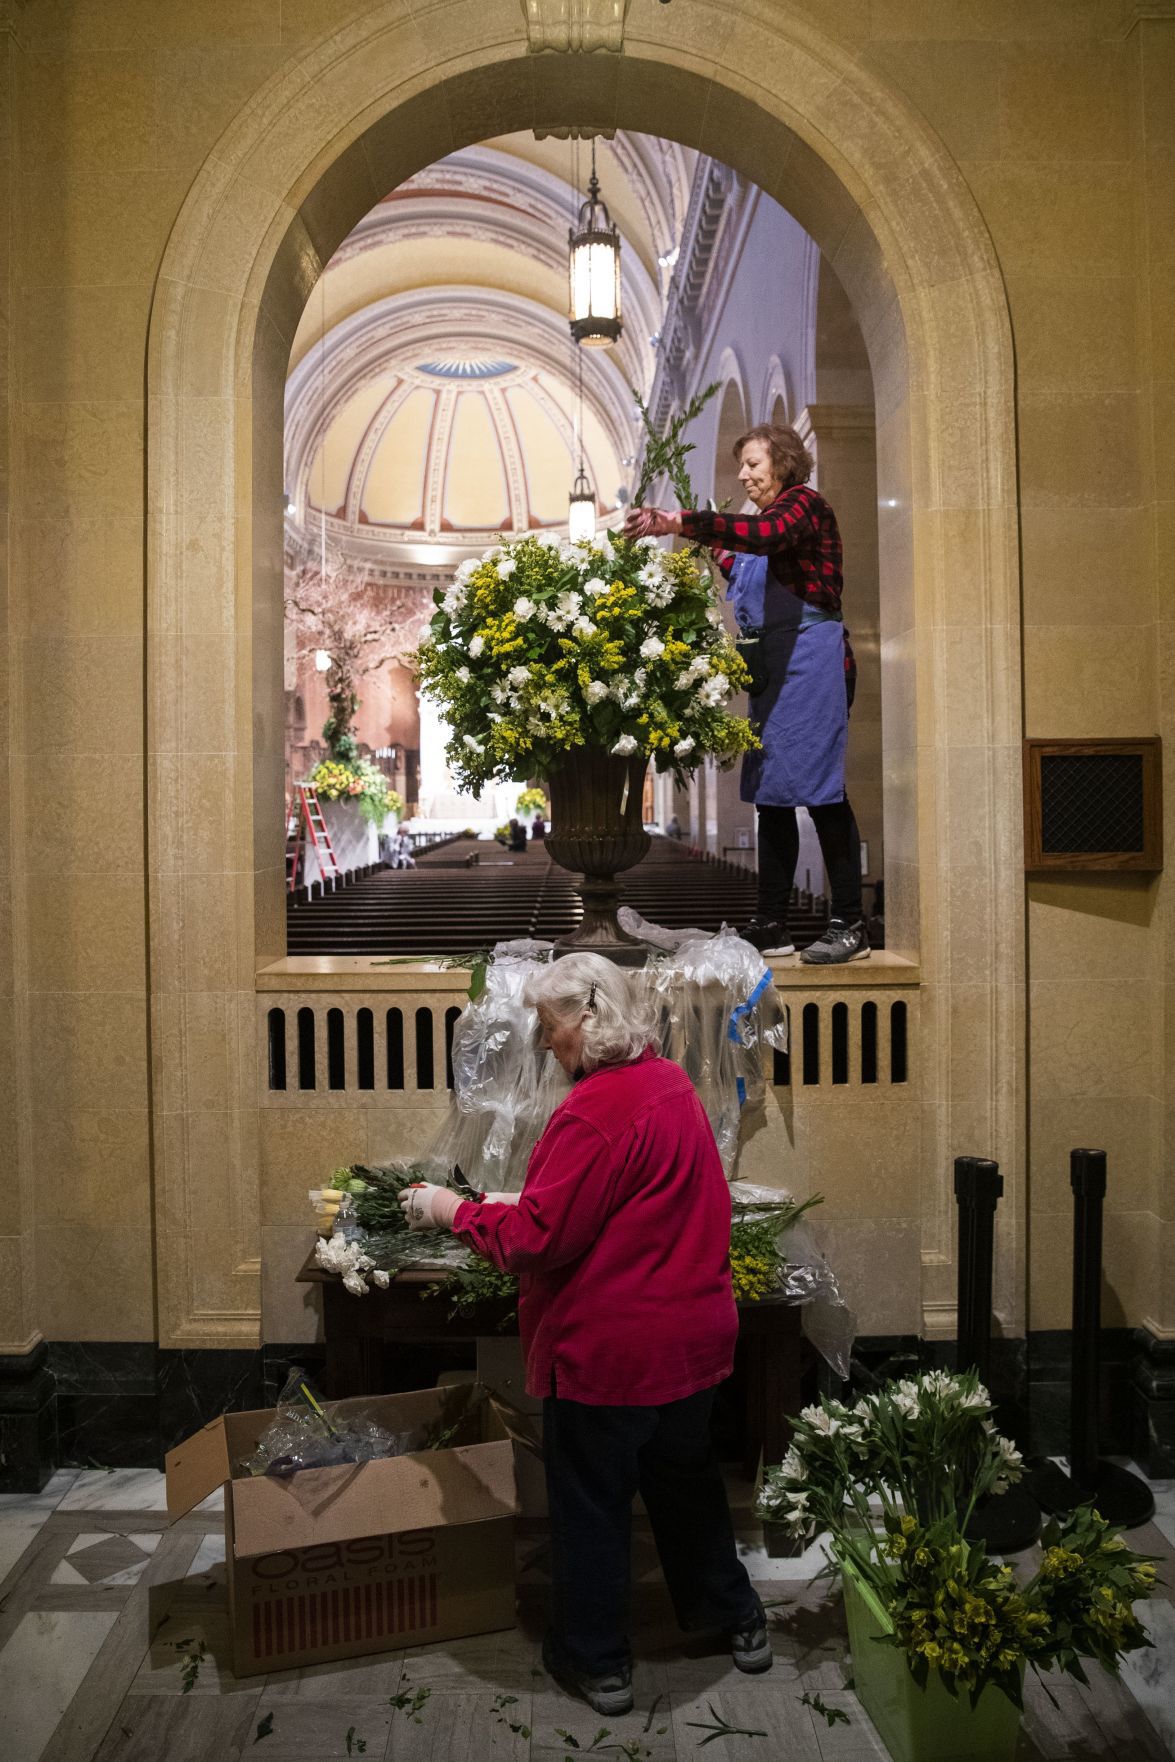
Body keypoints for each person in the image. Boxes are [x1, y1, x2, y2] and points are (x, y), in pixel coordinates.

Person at [399, 953, 769, 1714]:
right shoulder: (669, 1085)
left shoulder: (591, 1110)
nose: (542, 1041)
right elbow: (625, 1204)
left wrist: (448, 1208)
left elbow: (533, 1241)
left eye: (549, 1023)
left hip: (612, 1356)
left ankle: (598, 1661)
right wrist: (521, 1199)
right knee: (685, 1483)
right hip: (691, 1343)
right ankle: (734, 1617)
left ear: (589, 1015)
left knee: (593, 1505)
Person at [625, 423, 869, 966]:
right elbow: (743, 566)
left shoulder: (804, 507)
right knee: (772, 797)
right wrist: (705, 541)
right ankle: (772, 923)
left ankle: (850, 922)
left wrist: (682, 519)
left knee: (823, 793)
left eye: (753, 465)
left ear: (783, 464)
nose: (743, 474)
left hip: (812, 660)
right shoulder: (763, 525)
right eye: (742, 466)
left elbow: (764, 538)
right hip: (772, 668)